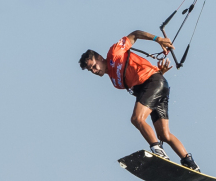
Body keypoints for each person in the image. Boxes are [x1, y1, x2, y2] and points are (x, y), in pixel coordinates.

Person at [79, 31, 200, 171]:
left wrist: (158, 39)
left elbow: (135, 34)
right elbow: (139, 83)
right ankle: (190, 164)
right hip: (156, 86)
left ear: (100, 58)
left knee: (137, 119)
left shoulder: (114, 53)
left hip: (154, 83)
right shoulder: (114, 81)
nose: (94, 71)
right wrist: (161, 74)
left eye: (94, 66)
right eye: (90, 70)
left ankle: (158, 152)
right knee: (163, 135)